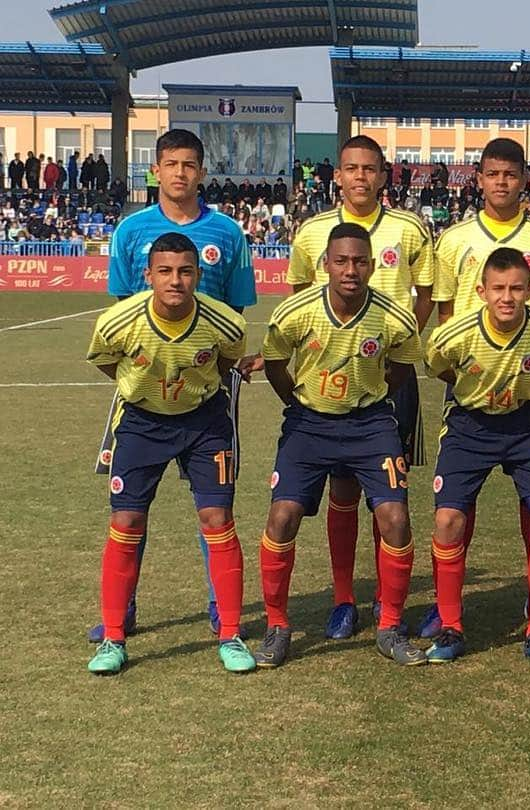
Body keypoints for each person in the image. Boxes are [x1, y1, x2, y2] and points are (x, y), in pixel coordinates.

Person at [86, 128, 256, 645]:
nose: (180, 173)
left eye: (189, 164)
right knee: (130, 508)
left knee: (214, 505)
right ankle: (125, 610)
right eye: (170, 164)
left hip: (208, 383)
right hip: (142, 386)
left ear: (201, 172)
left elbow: (236, 310)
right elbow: (120, 306)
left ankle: (217, 608)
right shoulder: (131, 230)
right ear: (155, 171)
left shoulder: (228, 232)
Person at [423, 137, 530, 640]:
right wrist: (471, 372)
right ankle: (447, 612)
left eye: (511, 174)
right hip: (469, 394)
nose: (502, 182)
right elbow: (445, 319)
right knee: (455, 507)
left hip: (527, 400)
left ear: (526, 178)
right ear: (480, 178)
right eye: (492, 174)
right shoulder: (454, 240)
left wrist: (528, 375)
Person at [254, 222, 425, 668]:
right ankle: (277, 625)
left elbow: (402, 369)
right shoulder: (294, 312)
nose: (351, 269)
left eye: (360, 261)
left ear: (372, 265)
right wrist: (296, 402)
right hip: (309, 425)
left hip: (371, 424)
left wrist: (372, 398)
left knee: (396, 518)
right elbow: (274, 362)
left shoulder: (395, 318)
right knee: (282, 516)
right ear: (325, 264)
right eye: (342, 261)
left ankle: (389, 625)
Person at [284, 134, 434, 639]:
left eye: (370, 169)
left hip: (389, 372)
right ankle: (345, 597)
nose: (361, 177)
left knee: (389, 492)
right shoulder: (312, 233)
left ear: (384, 175)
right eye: (352, 168)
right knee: (342, 490)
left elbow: (428, 294)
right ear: (338, 174)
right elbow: (297, 302)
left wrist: (392, 345)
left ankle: (384, 601)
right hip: (327, 383)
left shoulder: (409, 228)